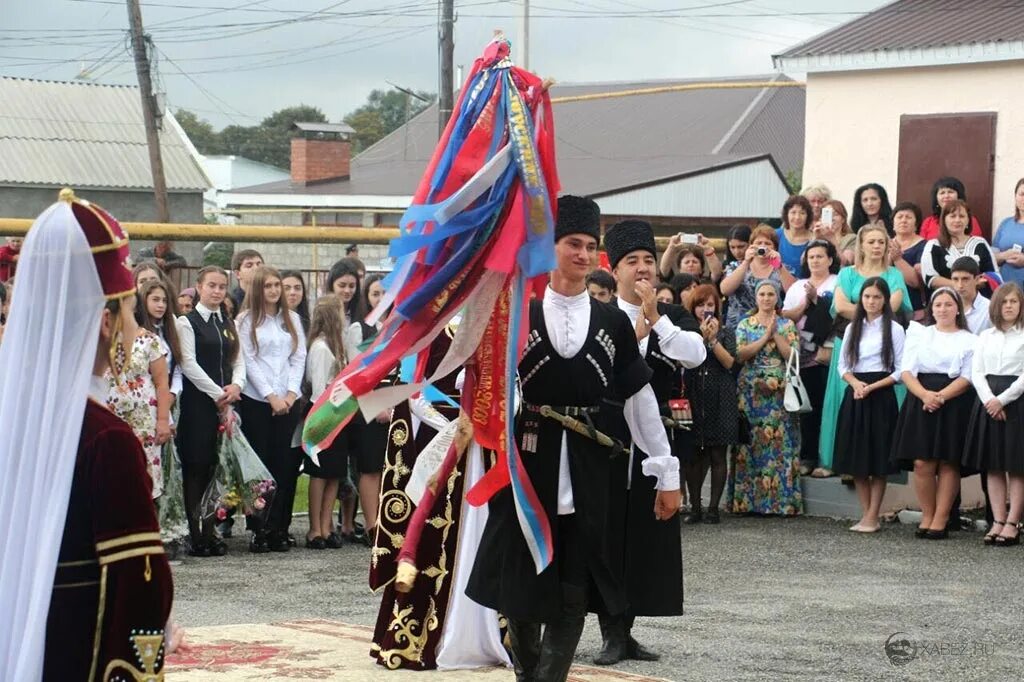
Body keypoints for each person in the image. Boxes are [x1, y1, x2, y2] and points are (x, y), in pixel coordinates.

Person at [466, 195, 682, 682]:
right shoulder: (519, 315)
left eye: (590, 246)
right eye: (572, 244)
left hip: (589, 467)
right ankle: (528, 669)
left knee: (574, 587)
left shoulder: (613, 324)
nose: (583, 255)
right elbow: (481, 388)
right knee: (520, 590)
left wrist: (666, 470)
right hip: (528, 465)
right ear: (551, 248)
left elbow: (639, 400)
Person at [0, 191, 172, 678]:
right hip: (73, 646)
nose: (134, 330)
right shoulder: (106, 437)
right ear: (102, 323)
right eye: (127, 313)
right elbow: (139, 579)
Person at [595, 219, 705, 666]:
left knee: (643, 537)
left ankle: (628, 631)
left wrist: (656, 319)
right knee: (606, 537)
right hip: (608, 436)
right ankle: (609, 632)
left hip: (657, 440)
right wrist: (633, 334)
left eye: (647, 261)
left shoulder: (671, 316)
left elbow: (694, 354)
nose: (641, 269)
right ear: (614, 269)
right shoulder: (600, 317)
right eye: (630, 262)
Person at [817, 225, 911, 477]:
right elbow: (838, 305)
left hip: (885, 344)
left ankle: (881, 461)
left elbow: (892, 306)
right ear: (861, 245)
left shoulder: (894, 274)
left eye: (881, 241)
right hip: (849, 341)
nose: (877, 246)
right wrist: (869, 309)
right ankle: (843, 461)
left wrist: (858, 307)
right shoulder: (847, 273)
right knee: (844, 399)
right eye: (871, 241)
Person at [891, 288, 976, 539]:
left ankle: (941, 518)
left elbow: (968, 376)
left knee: (948, 461)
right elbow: (906, 371)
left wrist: (941, 397)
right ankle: (927, 514)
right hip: (921, 397)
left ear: (957, 308)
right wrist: (926, 395)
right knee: (922, 462)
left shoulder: (970, 339)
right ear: (932, 309)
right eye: (938, 305)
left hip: (954, 400)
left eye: (948, 305)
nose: (943, 309)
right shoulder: (919, 333)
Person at [176, 265, 245, 556]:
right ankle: (194, 533)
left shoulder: (229, 322)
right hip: (198, 406)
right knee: (197, 467)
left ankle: (210, 529)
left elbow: (238, 359)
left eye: (221, 286)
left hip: (224, 404)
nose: (217, 291)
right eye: (211, 286)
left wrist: (236, 386)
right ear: (199, 287)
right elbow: (188, 364)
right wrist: (218, 393)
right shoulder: (187, 322)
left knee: (217, 468)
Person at [236, 266, 307, 553]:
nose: (275, 291)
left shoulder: (292, 319)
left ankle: (280, 526)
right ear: (257, 289)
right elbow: (248, 360)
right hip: (257, 400)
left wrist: (290, 394)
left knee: (285, 465)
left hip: (288, 401)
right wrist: (270, 395)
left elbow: (298, 357)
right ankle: (258, 527)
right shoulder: (246, 320)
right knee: (259, 466)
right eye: (268, 286)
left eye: (277, 285)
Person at [832, 277, 905, 532]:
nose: (871, 302)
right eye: (867, 297)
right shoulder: (853, 327)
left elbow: (899, 371)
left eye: (876, 297)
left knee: (878, 459)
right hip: (856, 392)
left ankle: (873, 515)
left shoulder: (894, 329)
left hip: (880, 393)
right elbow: (843, 365)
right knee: (857, 460)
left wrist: (871, 387)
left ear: (885, 300)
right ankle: (867, 514)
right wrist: (855, 384)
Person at [730, 279, 803, 515]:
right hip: (751, 391)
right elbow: (740, 355)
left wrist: (776, 335)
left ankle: (781, 504)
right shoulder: (745, 324)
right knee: (751, 444)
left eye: (771, 294)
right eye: (762, 294)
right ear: (756, 297)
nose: (766, 298)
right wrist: (764, 337)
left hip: (780, 393)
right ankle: (747, 503)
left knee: (780, 445)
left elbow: (793, 356)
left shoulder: (787, 324)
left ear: (777, 297)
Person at [963, 283, 1024, 545]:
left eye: (1013, 301)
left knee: (1017, 466)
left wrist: (1002, 399)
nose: (1008, 306)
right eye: (1004, 302)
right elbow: (977, 372)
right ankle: (998, 520)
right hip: (988, 401)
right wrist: (989, 399)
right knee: (994, 465)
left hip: (1017, 401)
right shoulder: (986, 336)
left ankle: (1013, 522)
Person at [782, 240, 840, 475]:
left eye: (820, 256)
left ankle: (826, 459)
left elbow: (839, 313)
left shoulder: (837, 282)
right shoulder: (797, 286)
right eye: (811, 257)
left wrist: (818, 300)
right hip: (802, 355)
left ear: (829, 259)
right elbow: (786, 317)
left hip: (828, 352)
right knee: (807, 410)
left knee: (825, 407)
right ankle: (807, 457)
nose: (815, 260)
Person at [107, 296, 173, 498]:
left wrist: (163, 421)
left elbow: (162, 383)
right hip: (109, 417)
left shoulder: (149, 340)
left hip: (143, 421)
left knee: (143, 477)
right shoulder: (101, 337)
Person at [683, 285, 739, 524]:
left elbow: (730, 364)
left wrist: (713, 340)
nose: (705, 310)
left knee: (718, 453)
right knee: (693, 453)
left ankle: (714, 508)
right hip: (694, 393)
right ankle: (695, 506)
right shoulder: (686, 331)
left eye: (709, 305)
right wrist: (699, 338)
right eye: (700, 305)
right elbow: (683, 362)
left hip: (721, 394)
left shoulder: (727, 332)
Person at [343, 274, 391, 544]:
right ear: (366, 298)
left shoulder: (403, 326)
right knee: (371, 468)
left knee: (393, 467)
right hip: (370, 407)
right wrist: (377, 405)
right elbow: (356, 371)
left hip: (399, 404)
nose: (381, 298)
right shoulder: (359, 329)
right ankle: (373, 525)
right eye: (375, 294)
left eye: (386, 293)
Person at [303, 295, 350, 549]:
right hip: (324, 413)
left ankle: (325, 523)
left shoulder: (336, 346)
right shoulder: (321, 348)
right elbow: (320, 388)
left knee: (334, 473)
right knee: (319, 473)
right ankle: (314, 528)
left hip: (337, 412)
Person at [719, 224, 795, 331]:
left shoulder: (782, 268)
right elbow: (725, 290)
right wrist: (746, 262)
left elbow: (793, 292)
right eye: (759, 243)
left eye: (767, 243)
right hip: (737, 326)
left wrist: (778, 266)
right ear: (751, 246)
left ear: (775, 247)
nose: (762, 246)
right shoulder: (735, 266)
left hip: (772, 327)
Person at [921, 200, 996, 292]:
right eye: (952, 216)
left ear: (968, 220)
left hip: (979, 301)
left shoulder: (980, 243)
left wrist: (980, 282)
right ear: (944, 219)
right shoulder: (934, 245)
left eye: (962, 216)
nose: (957, 220)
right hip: (946, 301)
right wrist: (962, 285)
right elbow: (930, 278)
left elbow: (994, 275)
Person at [889, 202, 927, 318]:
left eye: (908, 217)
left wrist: (897, 259)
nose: (903, 220)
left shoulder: (925, 245)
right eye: (899, 217)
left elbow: (916, 282)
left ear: (916, 224)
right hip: (887, 307)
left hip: (914, 309)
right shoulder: (883, 244)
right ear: (893, 224)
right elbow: (879, 273)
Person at [919, 177, 984, 241]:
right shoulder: (928, 222)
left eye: (950, 192)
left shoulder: (969, 220)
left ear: (959, 195)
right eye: (942, 193)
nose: (946, 196)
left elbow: (976, 246)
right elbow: (922, 248)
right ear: (936, 198)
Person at [992, 178, 1024, 286]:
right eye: (1022, 194)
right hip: (1005, 287)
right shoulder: (1006, 223)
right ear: (1015, 196)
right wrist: (1003, 256)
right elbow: (992, 257)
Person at [950, 257, 991, 334]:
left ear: (977, 279)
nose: (960, 285)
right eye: (955, 279)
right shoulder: (945, 307)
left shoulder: (990, 309)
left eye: (965, 279)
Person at [658, 234, 723, 283]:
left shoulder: (706, 283)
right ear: (679, 268)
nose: (691, 264)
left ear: (701, 269)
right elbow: (664, 271)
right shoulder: (674, 282)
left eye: (694, 262)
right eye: (687, 262)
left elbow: (717, 274)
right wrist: (671, 248)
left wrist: (708, 248)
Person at [776, 195, 815, 275]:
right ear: (786, 214)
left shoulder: (815, 239)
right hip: (777, 282)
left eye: (802, 213)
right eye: (793, 212)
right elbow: (768, 259)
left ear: (808, 216)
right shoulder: (776, 235)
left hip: (804, 284)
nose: (797, 217)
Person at [811, 199, 856, 265]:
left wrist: (832, 239)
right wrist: (815, 238)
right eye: (828, 214)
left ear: (843, 219)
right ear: (821, 218)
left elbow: (846, 263)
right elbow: (803, 262)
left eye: (835, 214)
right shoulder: (819, 239)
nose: (831, 218)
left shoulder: (851, 238)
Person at [229, 248, 264, 313]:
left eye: (259, 264)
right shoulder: (231, 303)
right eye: (249, 265)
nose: (256, 268)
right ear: (237, 274)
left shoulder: (270, 298)